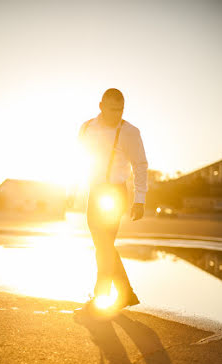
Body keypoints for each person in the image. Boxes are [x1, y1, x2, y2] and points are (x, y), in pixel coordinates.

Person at [78, 88, 148, 314]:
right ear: (101, 106)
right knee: (103, 244)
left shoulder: (130, 132)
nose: (117, 114)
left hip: (115, 192)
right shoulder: (87, 128)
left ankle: (101, 298)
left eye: (121, 109)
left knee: (104, 244)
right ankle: (126, 293)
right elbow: (80, 159)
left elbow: (140, 165)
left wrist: (140, 199)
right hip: (95, 192)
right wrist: (72, 190)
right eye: (112, 109)